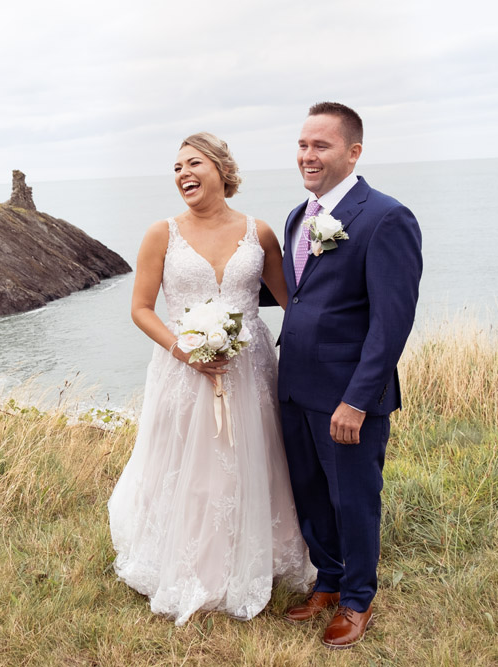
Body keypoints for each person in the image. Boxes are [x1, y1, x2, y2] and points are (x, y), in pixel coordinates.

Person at [108, 132, 314, 626]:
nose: (183, 174)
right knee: (193, 465)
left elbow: (295, 304)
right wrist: (184, 349)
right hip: (184, 368)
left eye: (193, 163)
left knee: (255, 456)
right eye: (176, 168)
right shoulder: (162, 233)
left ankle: (260, 556)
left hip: (250, 369)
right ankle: (194, 565)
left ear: (221, 168)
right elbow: (140, 309)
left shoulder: (259, 232)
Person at [269, 102, 422, 648]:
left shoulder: (386, 217)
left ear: (353, 151)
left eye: (321, 146)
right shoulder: (296, 217)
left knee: (354, 498)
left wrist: (357, 400)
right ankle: (328, 582)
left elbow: (391, 322)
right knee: (309, 492)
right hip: (294, 388)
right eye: (303, 145)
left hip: (347, 396)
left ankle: (358, 599)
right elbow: (299, 295)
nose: (307, 155)